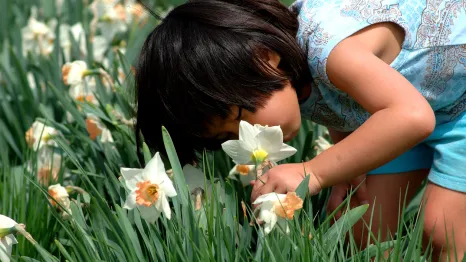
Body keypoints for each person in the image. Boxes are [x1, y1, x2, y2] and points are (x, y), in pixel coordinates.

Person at [134, 0, 466, 259]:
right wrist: (348, 169)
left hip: (453, 104)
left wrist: (316, 172)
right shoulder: (290, 81)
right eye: (227, 136)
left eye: (239, 115)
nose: (248, 135)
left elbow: (412, 116)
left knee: (441, 230)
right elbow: (343, 104)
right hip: (407, 107)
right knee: (365, 232)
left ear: (264, 58)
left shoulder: (332, 50)